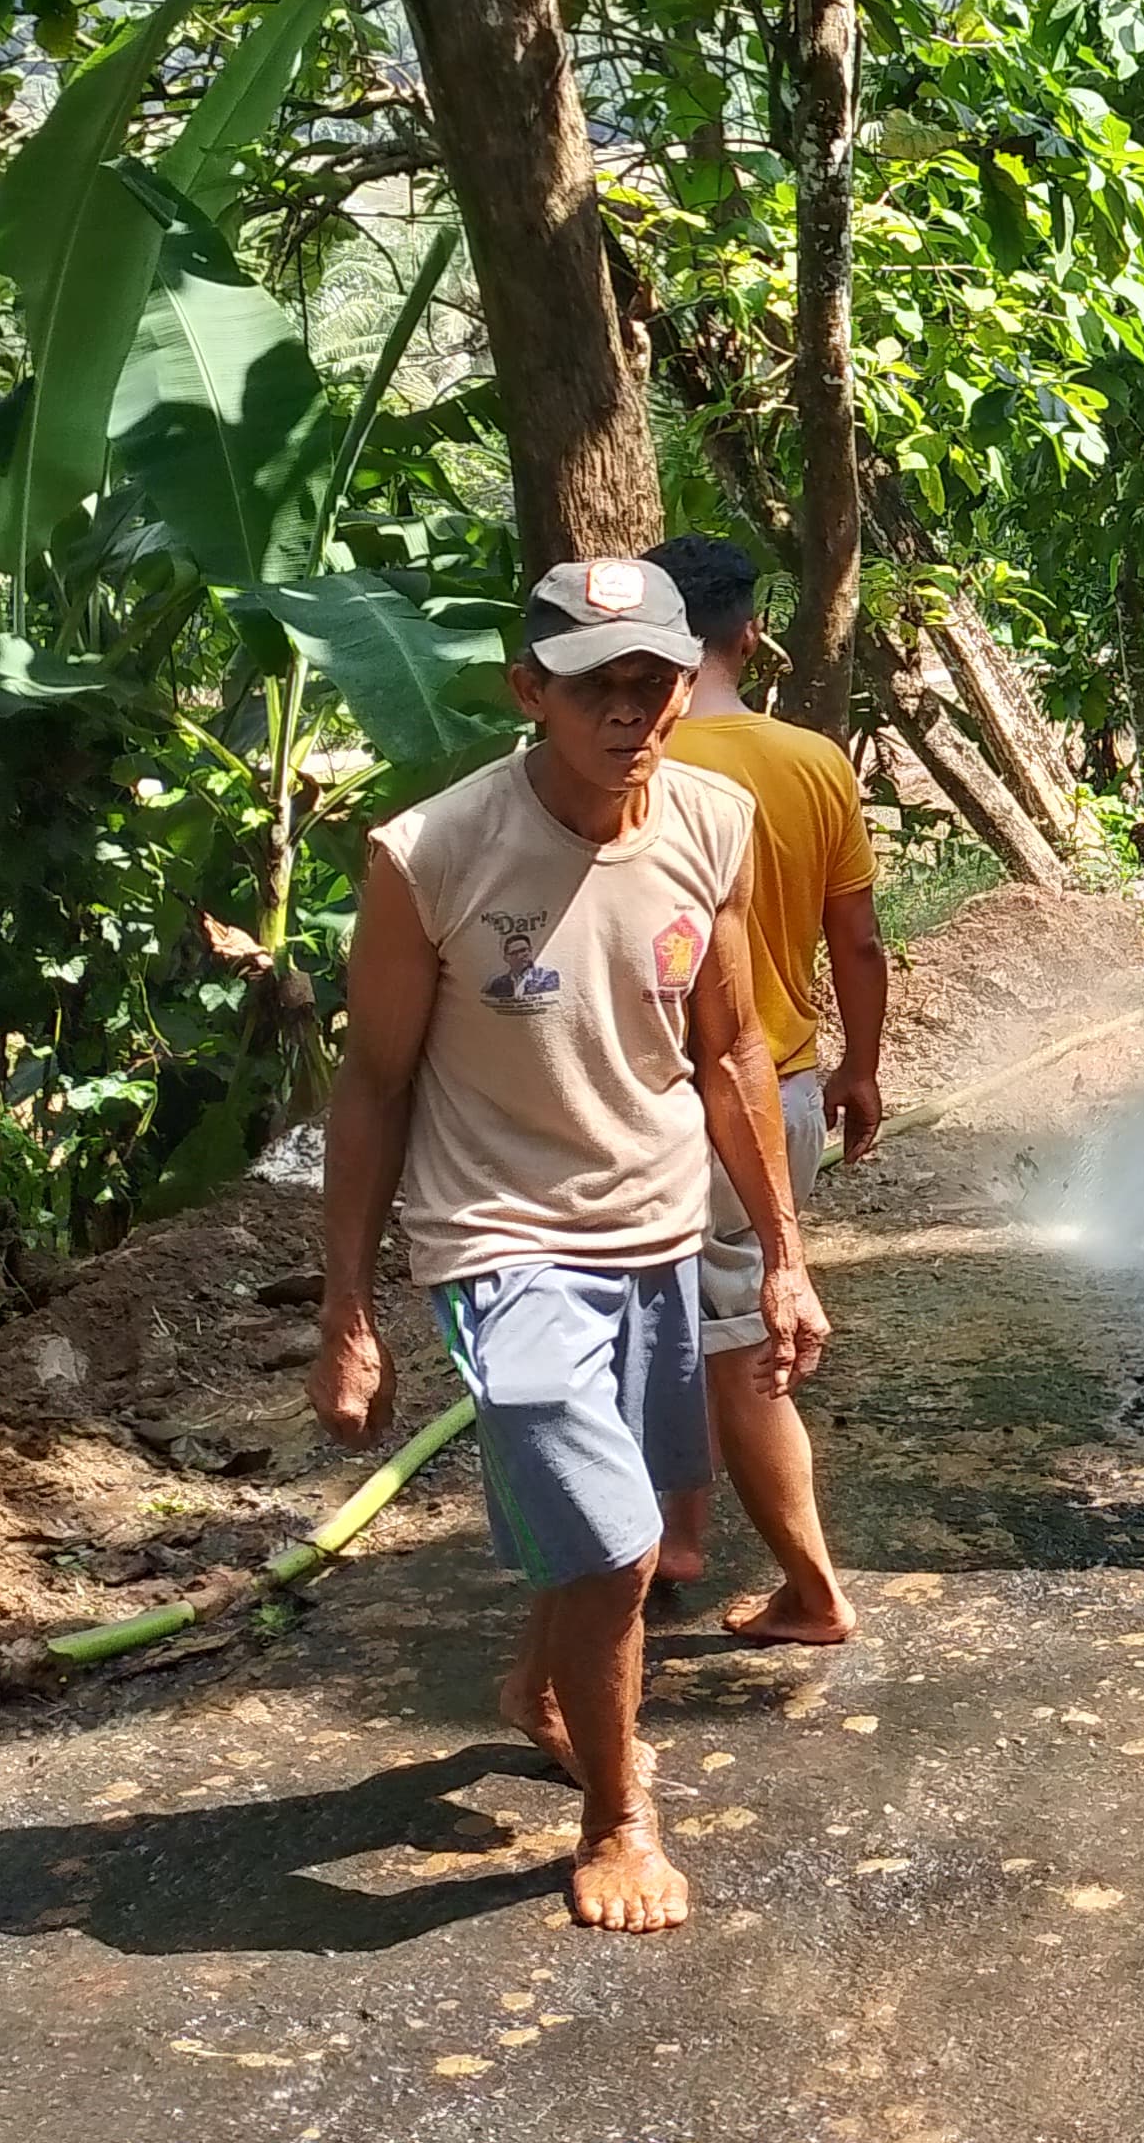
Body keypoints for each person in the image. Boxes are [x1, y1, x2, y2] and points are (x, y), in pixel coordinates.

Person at [310, 554, 829, 1931]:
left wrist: (782, 1252)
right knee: (612, 1551)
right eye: (594, 686)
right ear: (526, 690)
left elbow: (730, 1056)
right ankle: (618, 1818)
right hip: (498, 1239)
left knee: (641, 1530)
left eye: (652, 681)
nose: (630, 711)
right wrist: (347, 1314)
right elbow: (370, 1085)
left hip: (659, 1227)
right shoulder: (431, 856)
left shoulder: (713, 821)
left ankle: (541, 1689)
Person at [643, 533, 882, 1647]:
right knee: (733, 1328)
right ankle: (693, 1543)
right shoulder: (811, 762)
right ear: (748, 634)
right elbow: (858, 941)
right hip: (771, 1085)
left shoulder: (613, 764)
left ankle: (791, 1580)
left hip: (644, 1101)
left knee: (701, 1337)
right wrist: (862, 1068)